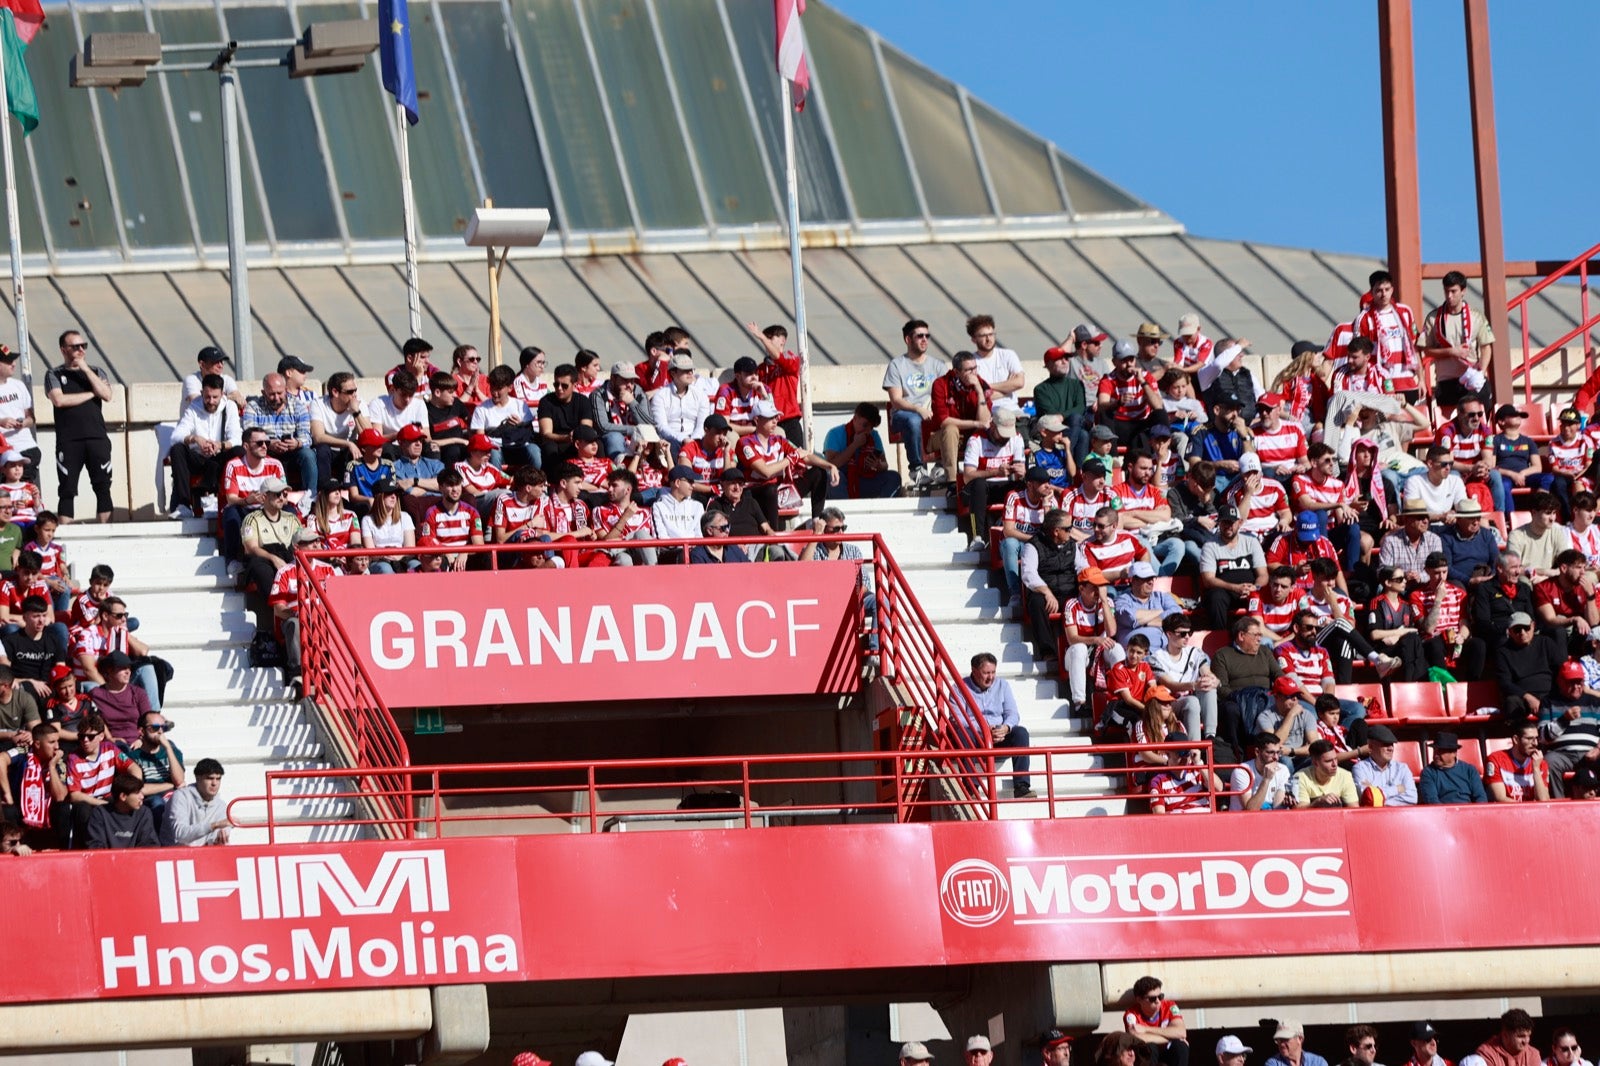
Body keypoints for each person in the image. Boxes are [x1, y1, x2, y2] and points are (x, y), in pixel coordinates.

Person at [45, 330, 115, 522]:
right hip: (69, 440)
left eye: (83, 346)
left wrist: (84, 369)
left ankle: (107, 534)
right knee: (67, 489)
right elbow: (59, 400)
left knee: (102, 486)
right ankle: (64, 535)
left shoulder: (96, 371)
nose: (81, 350)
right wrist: (92, 394)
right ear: (63, 350)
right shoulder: (54, 374)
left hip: (97, 437)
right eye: (75, 347)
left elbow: (107, 395)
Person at [739, 399, 836, 527]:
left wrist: (829, 465)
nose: (775, 421)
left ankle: (816, 522)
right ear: (757, 420)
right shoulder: (745, 443)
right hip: (757, 493)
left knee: (818, 472)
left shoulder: (779, 440)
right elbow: (765, 472)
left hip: (779, 490)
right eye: (770, 418)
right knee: (770, 489)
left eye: (776, 417)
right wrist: (790, 459)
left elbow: (804, 456)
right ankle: (774, 534)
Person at [167, 373, 243, 518]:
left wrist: (219, 445)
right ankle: (183, 504)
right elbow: (175, 436)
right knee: (177, 449)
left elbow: (236, 439)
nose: (211, 401)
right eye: (207, 397)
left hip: (219, 457)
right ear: (202, 393)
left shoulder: (229, 407)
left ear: (222, 394)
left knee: (238, 451)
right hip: (198, 457)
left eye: (215, 397)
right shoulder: (193, 408)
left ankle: (226, 499)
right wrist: (195, 439)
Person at [882, 318, 945, 487]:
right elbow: (896, 400)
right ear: (908, 339)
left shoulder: (938, 366)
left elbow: (946, 394)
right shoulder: (897, 365)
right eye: (919, 336)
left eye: (927, 336)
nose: (924, 339)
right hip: (903, 415)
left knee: (949, 418)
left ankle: (941, 466)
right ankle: (917, 468)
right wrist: (918, 409)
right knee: (914, 420)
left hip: (931, 412)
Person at [964, 652, 1033, 798]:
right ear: (974, 671)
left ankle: (1021, 785)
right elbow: (956, 718)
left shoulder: (1002, 685)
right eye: (986, 673)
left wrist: (1005, 728)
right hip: (976, 735)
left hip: (998, 735)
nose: (990, 677)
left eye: (993, 672)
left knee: (1020, 733)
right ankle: (970, 786)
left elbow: (1013, 713)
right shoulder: (960, 687)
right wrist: (982, 729)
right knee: (965, 733)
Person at [1422, 270, 1496, 406]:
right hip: (1446, 381)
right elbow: (1427, 351)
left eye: (1453, 291)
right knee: (1448, 424)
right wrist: (1451, 352)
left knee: (1478, 418)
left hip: (1471, 379)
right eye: (1446, 291)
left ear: (1463, 291)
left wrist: (1481, 372)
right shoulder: (1434, 318)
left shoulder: (1476, 316)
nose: (1449, 296)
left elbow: (1486, 347)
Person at [1213, 616, 1284, 756]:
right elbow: (1221, 688)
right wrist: (1244, 698)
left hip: (1265, 697)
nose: (1260, 639)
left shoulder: (1265, 651)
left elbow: (1279, 676)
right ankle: (1237, 753)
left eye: (1260, 635)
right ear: (1241, 635)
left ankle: (1278, 750)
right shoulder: (1222, 655)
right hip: (1239, 700)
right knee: (1230, 709)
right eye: (1256, 635)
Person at [1019, 509, 1077, 661]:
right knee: (1037, 602)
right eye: (1068, 529)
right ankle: (1047, 651)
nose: (1071, 531)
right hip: (1046, 591)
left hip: (1069, 590)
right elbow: (1028, 574)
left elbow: (1083, 568)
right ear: (1056, 531)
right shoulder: (1032, 546)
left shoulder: (1072, 545)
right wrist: (1047, 592)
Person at [244, 373, 317, 491]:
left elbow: (306, 436)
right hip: (266, 451)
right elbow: (249, 435)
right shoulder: (253, 407)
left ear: (286, 390)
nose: (276, 398)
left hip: (293, 451)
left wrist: (297, 443)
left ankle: (310, 497)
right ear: (263, 393)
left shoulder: (298, 406)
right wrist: (268, 443)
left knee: (308, 455)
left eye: (279, 393)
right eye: (272, 394)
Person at [931, 350, 993, 488]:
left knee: (992, 429)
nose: (973, 373)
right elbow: (944, 421)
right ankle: (952, 482)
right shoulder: (941, 384)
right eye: (968, 370)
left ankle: (987, 478)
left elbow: (985, 420)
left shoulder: (981, 384)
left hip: (971, 436)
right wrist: (975, 423)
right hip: (940, 436)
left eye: (975, 368)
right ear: (956, 372)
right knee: (951, 429)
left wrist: (978, 390)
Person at [1537, 661, 1600, 797]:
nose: (1576, 686)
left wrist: (1598, 749)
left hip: (1591, 753)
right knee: (1548, 762)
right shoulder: (1549, 702)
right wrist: (1564, 720)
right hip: (1562, 754)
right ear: (1560, 682)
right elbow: (1542, 737)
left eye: (1580, 682)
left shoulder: (1594, 702)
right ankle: (1559, 807)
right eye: (1571, 682)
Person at [1198, 505, 1266, 629]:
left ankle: (1259, 635)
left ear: (1239, 523)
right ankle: (1218, 637)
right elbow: (1208, 580)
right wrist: (1234, 587)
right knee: (1215, 596)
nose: (1228, 526)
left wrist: (1255, 587)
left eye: (1231, 522)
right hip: (1225, 591)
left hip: (1249, 590)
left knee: (1262, 595)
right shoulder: (1210, 546)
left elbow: (1263, 575)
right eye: (1224, 522)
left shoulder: (1251, 542)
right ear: (1219, 524)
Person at [1062, 566, 1116, 715]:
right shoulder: (1072, 604)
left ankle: (1118, 696)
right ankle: (1080, 703)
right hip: (1075, 655)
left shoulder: (1107, 602)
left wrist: (1104, 602)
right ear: (1082, 588)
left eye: (1101, 586)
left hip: (1099, 653)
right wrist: (1095, 639)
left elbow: (1111, 631)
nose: (1098, 592)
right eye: (1094, 587)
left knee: (1116, 649)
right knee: (1079, 648)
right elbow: (1072, 638)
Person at [823, 402, 901, 499]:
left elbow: (885, 464)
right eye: (865, 425)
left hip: (865, 480)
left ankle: (881, 508)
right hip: (844, 481)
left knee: (893, 477)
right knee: (833, 475)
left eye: (871, 427)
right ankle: (844, 510)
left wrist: (878, 465)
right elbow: (830, 465)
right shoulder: (835, 433)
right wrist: (855, 445)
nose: (868, 431)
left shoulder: (874, 435)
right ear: (855, 418)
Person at [1366, 566, 1429, 681]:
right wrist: (1401, 632)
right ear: (1388, 582)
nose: (1404, 581)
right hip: (1384, 648)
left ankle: (1411, 682)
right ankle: (1413, 682)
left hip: (1404, 646)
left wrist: (1398, 635)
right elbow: (1374, 634)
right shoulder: (1377, 602)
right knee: (1411, 641)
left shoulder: (1406, 604)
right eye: (1400, 579)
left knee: (1413, 640)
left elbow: (1412, 630)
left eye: (1404, 578)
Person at [309, 371, 370, 484]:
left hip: (348, 451)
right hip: (329, 449)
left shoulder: (359, 404)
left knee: (358, 449)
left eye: (355, 390)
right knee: (322, 449)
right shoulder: (318, 404)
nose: (354, 395)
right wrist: (348, 443)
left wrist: (356, 413)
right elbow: (318, 437)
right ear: (335, 392)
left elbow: (370, 438)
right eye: (350, 392)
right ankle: (325, 492)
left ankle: (350, 490)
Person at [1036, 341, 1092, 460]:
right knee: (1082, 434)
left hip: (1073, 428)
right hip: (1052, 431)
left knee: (1081, 430)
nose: (1065, 362)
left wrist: (1062, 415)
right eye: (1060, 359)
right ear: (1049, 365)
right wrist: (1062, 416)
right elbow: (1050, 415)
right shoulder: (1040, 389)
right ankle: (1070, 462)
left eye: (1066, 359)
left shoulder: (1077, 384)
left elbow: (1081, 407)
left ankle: (1073, 465)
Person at [651, 351, 712, 456]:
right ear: (673, 373)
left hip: (696, 439)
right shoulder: (660, 396)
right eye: (685, 370)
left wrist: (693, 440)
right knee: (672, 446)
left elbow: (702, 424)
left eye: (691, 370)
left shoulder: (701, 395)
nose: (690, 373)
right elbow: (662, 427)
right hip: (671, 440)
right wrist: (683, 439)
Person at [80, 773, 158, 850]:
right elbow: (95, 845)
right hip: (107, 861)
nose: (142, 796)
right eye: (137, 793)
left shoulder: (144, 813)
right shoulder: (100, 814)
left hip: (136, 861)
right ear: (123, 796)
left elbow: (149, 844)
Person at [1122, 976, 1188, 1066]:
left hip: (1168, 1052)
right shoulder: (1131, 1014)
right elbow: (1136, 1039)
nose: (1158, 1001)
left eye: (1160, 996)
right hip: (1149, 1055)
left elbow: (1181, 1032)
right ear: (1139, 1000)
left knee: (1180, 1046)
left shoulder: (1170, 1006)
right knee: (1150, 1047)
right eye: (1152, 999)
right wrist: (1171, 1037)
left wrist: (1146, 1029)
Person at [1379, 498, 1444, 587]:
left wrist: (1420, 577)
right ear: (1406, 520)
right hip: (1399, 588)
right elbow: (1383, 571)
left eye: (1427, 517)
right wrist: (1402, 576)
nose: (1425, 521)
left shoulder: (1434, 540)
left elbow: (1437, 569)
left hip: (1427, 587)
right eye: (1420, 518)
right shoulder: (1391, 541)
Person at [1485, 721, 1551, 802]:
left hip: (1533, 813)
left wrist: (1536, 769)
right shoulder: (1496, 760)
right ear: (1516, 739)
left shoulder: (1540, 763)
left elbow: (1543, 800)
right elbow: (1500, 798)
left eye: (1536, 738)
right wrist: (1525, 811)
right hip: (1506, 812)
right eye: (1529, 739)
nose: (1535, 743)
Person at [1351, 724, 1417, 805]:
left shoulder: (1402, 768)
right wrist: (1396, 789)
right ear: (1371, 747)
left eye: (1392, 744)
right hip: (1373, 816)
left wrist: (1379, 798)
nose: (1390, 748)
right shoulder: (1360, 769)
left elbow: (1412, 798)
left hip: (1400, 816)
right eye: (1385, 744)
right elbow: (1369, 798)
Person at [1404, 447, 1469, 526]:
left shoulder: (1456, 481)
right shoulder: (1414, 482)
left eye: (1450, 464)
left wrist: (1454, 513)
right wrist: (1440, 517)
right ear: (1430, 464)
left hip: (1448, 529)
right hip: (1424, 528)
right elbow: (1413, 514)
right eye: (1444, 464)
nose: (1448, 468)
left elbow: (1464, 509)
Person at [1418, 731, 1487, 804]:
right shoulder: (1428, 772)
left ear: (1454, 753)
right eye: (1435, 750)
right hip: (1443, 813)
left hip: (1469, 812)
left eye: (1441, 751)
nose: (1436, 755)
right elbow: (1432, 801)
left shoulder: (1470, 770)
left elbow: (1481, 797)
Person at [1228, 732, 1292, 810]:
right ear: (1257, 752)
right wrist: (1266, 779)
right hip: (1244, 820)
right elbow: (1251, 810)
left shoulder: (1283, 770)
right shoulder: (1242, 771)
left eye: (1278, 753)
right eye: (1270, 752)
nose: (1276, 758)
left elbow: (1278, 808)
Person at [1291, 739, 1358, 807]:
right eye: (1328, 761)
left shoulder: (1345, 776)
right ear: (1315, 763)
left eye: (1335, 759)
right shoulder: (1301, 777)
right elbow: (1298, 812)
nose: (1335, 764)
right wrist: (1317, 803)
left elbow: (1354, 810)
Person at [1471, 1010, 1540, 1066]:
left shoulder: (1533, 1054)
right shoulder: (1487, 1053)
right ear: (1505, 1035)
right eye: (1521, 1036)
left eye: (1529, 1035)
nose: (1526, 1041)